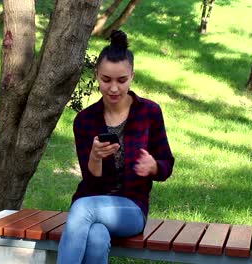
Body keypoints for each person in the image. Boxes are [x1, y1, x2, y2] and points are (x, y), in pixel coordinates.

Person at [57, 30, 175, 264]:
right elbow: (92, 183)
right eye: (106, 80)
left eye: (121, 80)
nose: (113, 88)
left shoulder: (149, 112)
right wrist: (95, 158)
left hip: (132, 208)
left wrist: (154, 167)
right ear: (97, 75)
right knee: (97, 237)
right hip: (94, 200)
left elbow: (167, 165)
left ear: (132, 76)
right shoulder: (85, 121)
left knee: (82, 209)